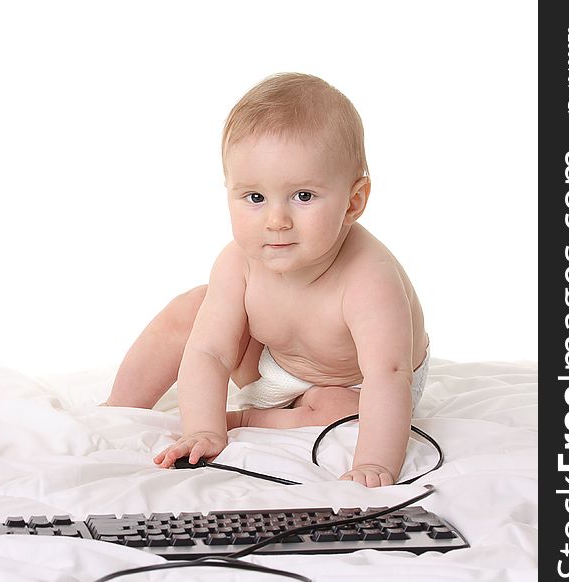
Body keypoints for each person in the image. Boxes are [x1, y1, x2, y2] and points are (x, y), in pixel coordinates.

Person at [105, 73, 429, 488]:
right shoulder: (238, 262)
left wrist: (375, 463)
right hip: (277, 360)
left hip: (356, 381)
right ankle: (115, 411)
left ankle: (243, 418)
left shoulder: (369, 276)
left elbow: (389, 374)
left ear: (354, 201)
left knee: (337, 407)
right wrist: (202, 430)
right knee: (192, 310)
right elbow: (211, 352)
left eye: (303, 196)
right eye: (255, 198)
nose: (276, 221)